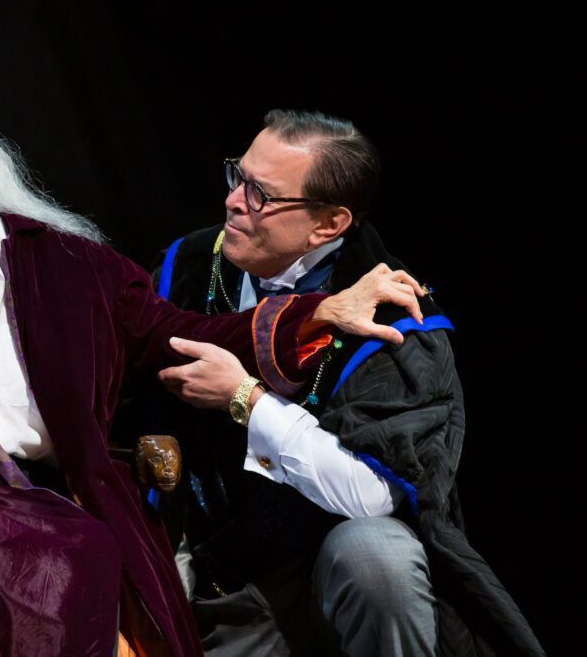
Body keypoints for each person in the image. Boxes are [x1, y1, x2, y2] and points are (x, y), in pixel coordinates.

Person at [0, 76, 423, 657]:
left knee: (81, 545)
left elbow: (178, 334)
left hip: (45, 499)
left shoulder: (63, 264)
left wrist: (320, 313)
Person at [142, 109, 543, 655]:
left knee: (378, 556)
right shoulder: (188, 264)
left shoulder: (398, 323)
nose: (235, 200)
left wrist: (246, 399)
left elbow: (372, 494)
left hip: (334, 576)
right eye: (238, 176)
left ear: (328, 225)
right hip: (221, 566)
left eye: (260, 194)